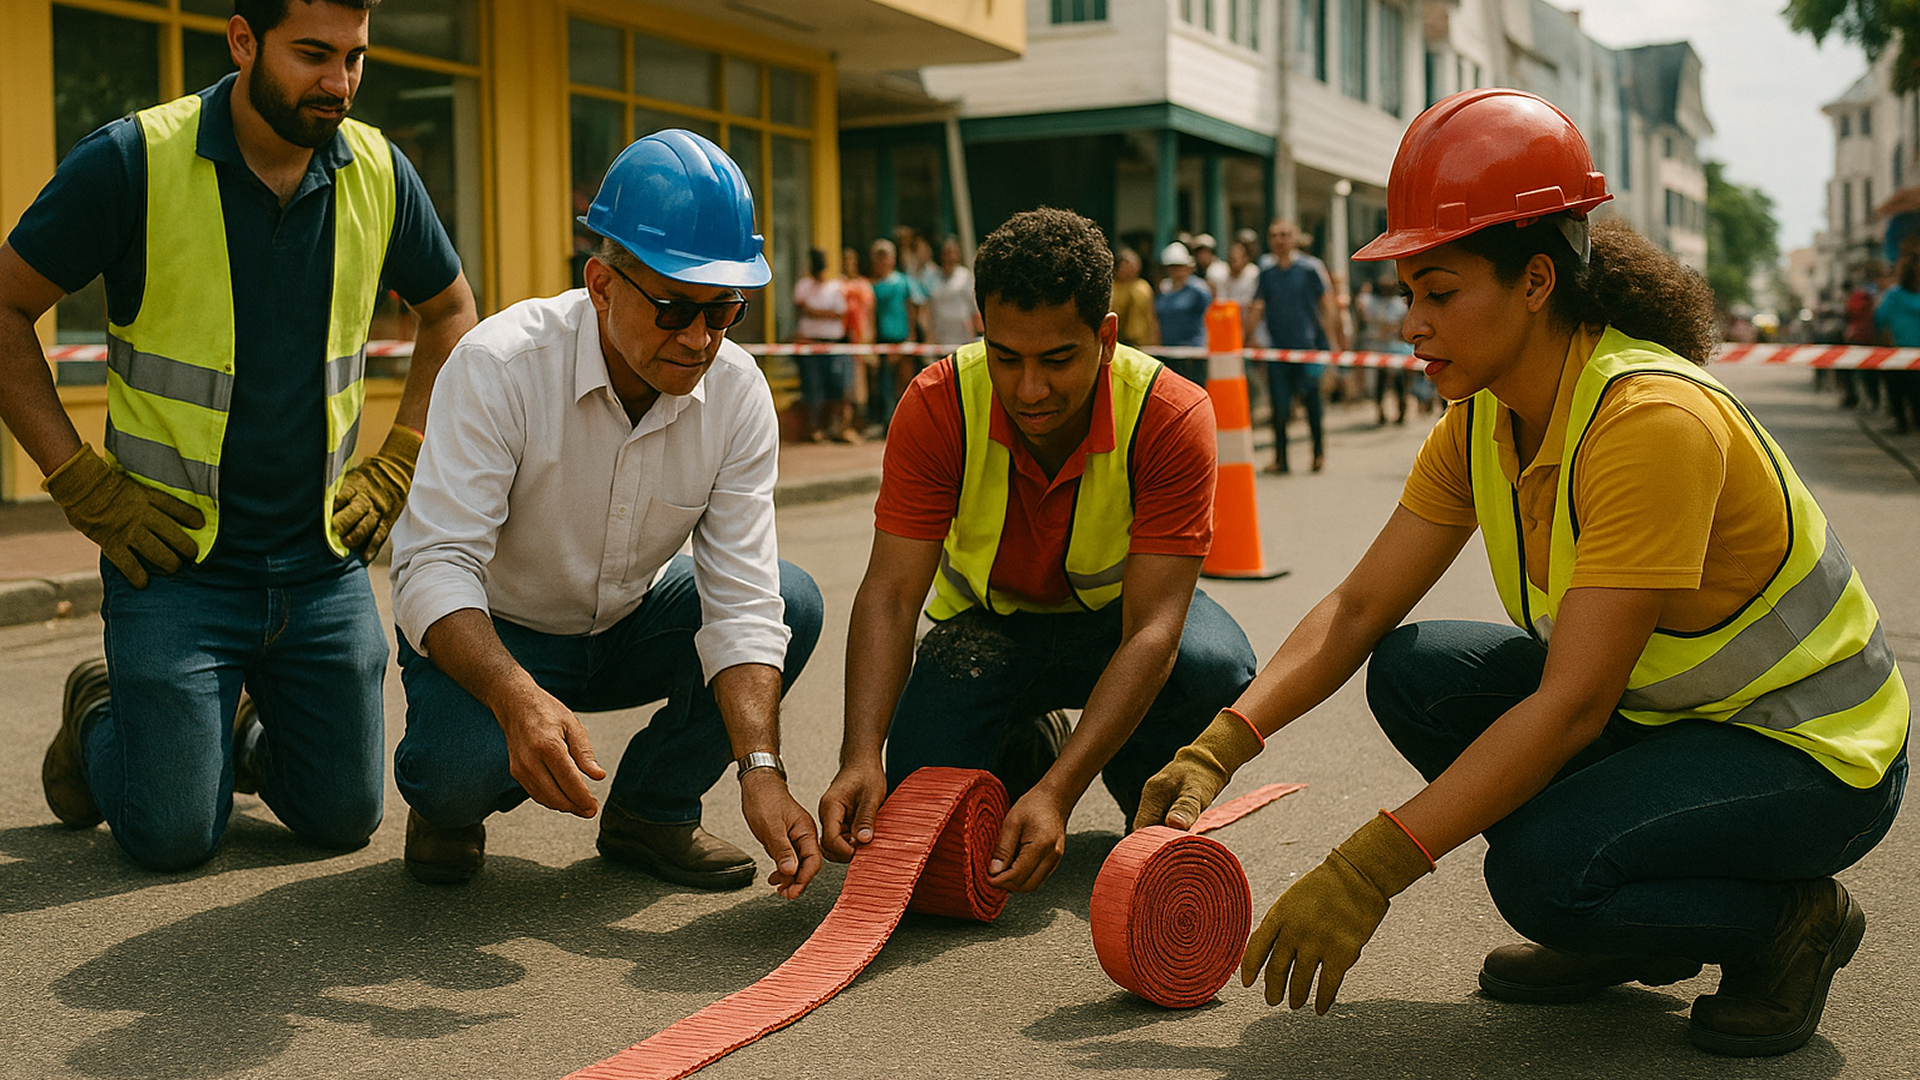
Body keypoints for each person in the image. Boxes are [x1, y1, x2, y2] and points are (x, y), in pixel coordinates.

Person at [1138, 88, 1908, 1058]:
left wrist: (1370, 868)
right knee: (1415, 667)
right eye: (1406, 293)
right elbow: (1361, 607)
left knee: (1541, 877)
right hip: (1672, 724)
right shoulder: (1482, 416)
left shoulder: (1648, 420)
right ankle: (1612, 918)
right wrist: (1218, 746)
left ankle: (1787, 922)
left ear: (1537, 280)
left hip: (1812, 757)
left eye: (1441, 292)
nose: (1410, 324)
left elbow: (1574, 705)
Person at [7, 0, 477, 870]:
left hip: (319, 563)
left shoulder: (377, 169)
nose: (338, 83)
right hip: (174, 566)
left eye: (356, 57)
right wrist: (79, 481)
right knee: (175, 834)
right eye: (312, 55)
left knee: (342, 817)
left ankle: (236, 726)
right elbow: (4, 309)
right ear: (242, 39)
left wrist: (400, 459)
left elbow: (451, 310)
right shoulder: (132, 161)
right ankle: (102, 713)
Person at [387, 129, 826, 895]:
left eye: (724, 313)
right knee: (456, 774)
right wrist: (517, 697)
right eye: (672, 309)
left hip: (627, 623)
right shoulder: (499, 367)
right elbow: (431, 568)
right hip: (498, 632)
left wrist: (761, 769)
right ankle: (450, 807)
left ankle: (651, 810)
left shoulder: (738, 394)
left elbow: (744, 600)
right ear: (600, 283)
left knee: (794, 601)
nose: (699, 340)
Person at [818, 207, 1257, 894]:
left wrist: (1060, 792)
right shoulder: (938, 402)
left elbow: (1154, 629)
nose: (1030, 390)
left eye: (1057, 360)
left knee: (1214, 665)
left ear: (1106, 338)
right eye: (1006, 357)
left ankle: (1134, 781)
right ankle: (1025, 746)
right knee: (924, 834)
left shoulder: (1169, 414)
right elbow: (891, 593)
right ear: (981, 332)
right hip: (988, 633)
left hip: (1116, 628)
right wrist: (859, 756)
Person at [1250, 220, 1346, 473]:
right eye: (1273, 235)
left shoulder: (1310, 268)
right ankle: (1281, 458)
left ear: (1293, 237)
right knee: (1280, 408)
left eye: (1284, 234)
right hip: (1276, 352)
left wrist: (1333, 343)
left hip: (1307, 350)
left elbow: (1327, 306)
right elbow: (1258, 306)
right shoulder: (1266, 272)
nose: (1279, 239)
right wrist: (1248, 337)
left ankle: (1318, 454)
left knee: (1312, 403)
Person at [791, 247, 853, 443]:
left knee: (835, 387)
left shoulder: (835, 287)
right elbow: (802, 309)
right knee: (812, 388)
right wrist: (826, 313)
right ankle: (813, 428)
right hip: (810, 344)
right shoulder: (804, 285)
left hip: (832, 344)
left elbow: (841, 313)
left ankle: (831, 428)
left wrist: (816, 312)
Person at [866, 237, 925, 435]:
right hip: (881, 342)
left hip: (902, 340)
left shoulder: (903, 282)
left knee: (904, 382)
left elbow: (912, 308)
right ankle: (888, 422)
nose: (883, 262)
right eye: (879, 258)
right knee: (883, 385)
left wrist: (911, 335)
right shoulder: (871, 286)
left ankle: (907, 422)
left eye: (886, 257)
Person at [1872, 246, 1920, 435]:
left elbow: (1880, 318)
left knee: (1897, 391)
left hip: (1897, 352)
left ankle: (1902, 424)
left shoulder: (1893, 295)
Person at [1355, 271, 1411, 424]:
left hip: (1395, 347)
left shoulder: (1398, 304)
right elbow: (1363, 314)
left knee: (1399, 380)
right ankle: (1380, 410)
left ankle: (1402, 408)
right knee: (1379, 381)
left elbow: (1400, 324)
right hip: (1377, 347)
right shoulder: (1371, 302)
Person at [1154, 241, 1212, 386]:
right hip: (1169, 352)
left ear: (1188, 267)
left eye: (1179, 266)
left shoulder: (1199, 290)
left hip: (1193, 353)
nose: (1176, 271)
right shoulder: (1164, 290)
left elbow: (1210, 317)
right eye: (1172, 267)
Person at [922, 236, 982, 348]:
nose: (949, 257)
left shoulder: (965, 277)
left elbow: (974, 306)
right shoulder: (933, 278)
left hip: (963, 336)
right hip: (940, 336)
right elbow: (929, 308)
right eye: (946, 253)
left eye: (952, 253)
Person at [841, 245, 876, 429]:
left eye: (851, 261)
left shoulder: (864, 285)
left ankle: (861, 423)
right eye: (845, 261)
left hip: (862, 339)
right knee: (848, 385)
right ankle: (847, 424)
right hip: (843, 340)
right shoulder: (839, 285)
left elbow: (869, 313)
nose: (848, 265)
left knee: (863, 385)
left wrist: (870, 337)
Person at [1111, 248, 1159, 347]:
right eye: (1126, 265)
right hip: (1117, 339)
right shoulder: (1112, 287)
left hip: (1141, 340)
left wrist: (1155, 340)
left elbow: (1151, 315)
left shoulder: (1143, 287)